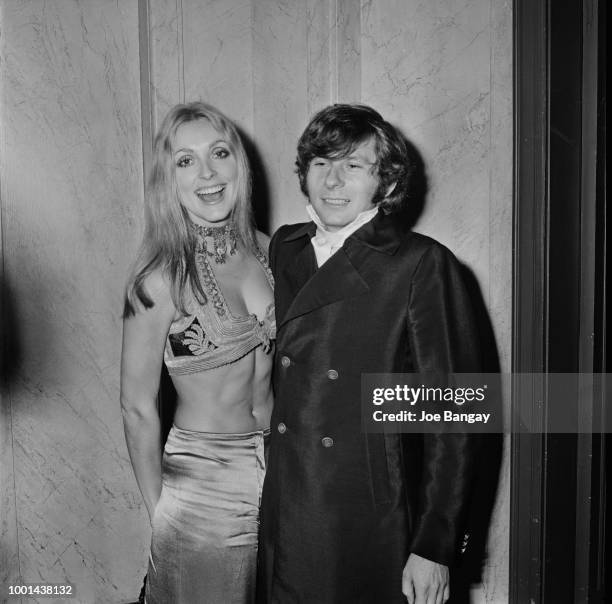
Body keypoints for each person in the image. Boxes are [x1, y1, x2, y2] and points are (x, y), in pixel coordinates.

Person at [258, 104, 481, 604]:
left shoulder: (422, 263)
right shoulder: (286, 248)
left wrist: (435, 545)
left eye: (353, 166)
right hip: (283, 500)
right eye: (321, 163)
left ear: (386, 181)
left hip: (365, 512)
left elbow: (457, 414)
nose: (332, 181)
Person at [120, 101, 275, 604]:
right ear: (170, 180)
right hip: (204, 484)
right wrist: (160, 509)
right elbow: (138, 406)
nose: (207, 173)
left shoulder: (271, 250)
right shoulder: (159, 277)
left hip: (283, 472)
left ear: (239, 165)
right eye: (185, 161)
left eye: (219, 153)